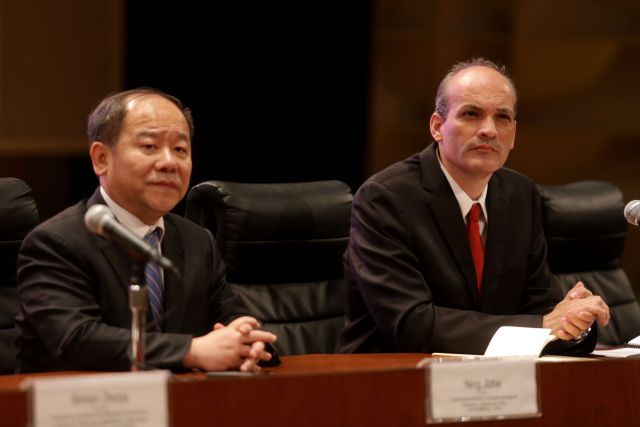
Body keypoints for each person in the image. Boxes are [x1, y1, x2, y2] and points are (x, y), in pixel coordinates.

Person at [337, 58, 610, 355]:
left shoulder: (520, 194)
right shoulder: (385, 198)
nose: (489, 130)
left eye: (502, 117)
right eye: (471, 114)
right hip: (386, 381)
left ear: (514, 134)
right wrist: (543, 325)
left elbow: (541, 305)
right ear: (437, 126)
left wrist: (574, 321)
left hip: (491, 382)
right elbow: (412, 324)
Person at [15, 88, 277, 373]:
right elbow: (77, 340)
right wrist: (192, 351)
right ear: (101, 158)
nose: (168, 162)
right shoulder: (55, 242)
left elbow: (231, 317)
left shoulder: (197, 241)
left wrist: (248, 341)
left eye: (180, 149)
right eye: (149, 146)